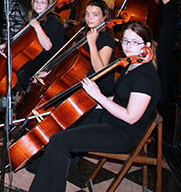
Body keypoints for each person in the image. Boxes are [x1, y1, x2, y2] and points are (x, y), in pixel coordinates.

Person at [29, 22, 160, 192]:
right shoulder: (132, 65)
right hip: (109, 119)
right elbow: (121, 98)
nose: (128, 46)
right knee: (64, 126)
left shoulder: (145, 78)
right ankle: (41, 173)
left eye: (135, 42)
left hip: (121, 133)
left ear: (147, 46)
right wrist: (99, 102)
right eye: (125, 41)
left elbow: (131, 116)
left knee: (61, 141)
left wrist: (100, 98)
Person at [141, 0, 181, 103]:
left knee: (162, 64)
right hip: (153, 23)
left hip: (168, 26)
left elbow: (171, 6)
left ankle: (162, 101)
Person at [15, 0, 63, 90]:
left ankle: (30, 97)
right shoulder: (37, 17)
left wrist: (37, 26)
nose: (38, 5)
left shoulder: (53, 20)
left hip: (49, 59)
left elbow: (48, 46)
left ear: (48, 5)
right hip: (38, 53)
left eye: (42, 2)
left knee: (22, 72)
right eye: (36, 1)